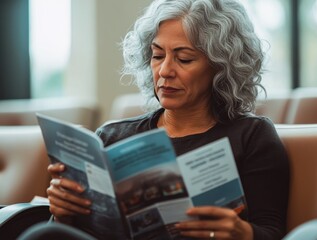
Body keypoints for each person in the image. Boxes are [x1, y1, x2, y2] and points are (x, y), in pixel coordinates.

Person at [47, 0, 289, 239]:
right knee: (43, 232)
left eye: (184, 59)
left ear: (221, 67)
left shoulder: (251, 136)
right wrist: (63, 214)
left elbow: (272, 231)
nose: (164, 71)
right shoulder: (111, 137)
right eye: (157, 55)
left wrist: (242, 233)